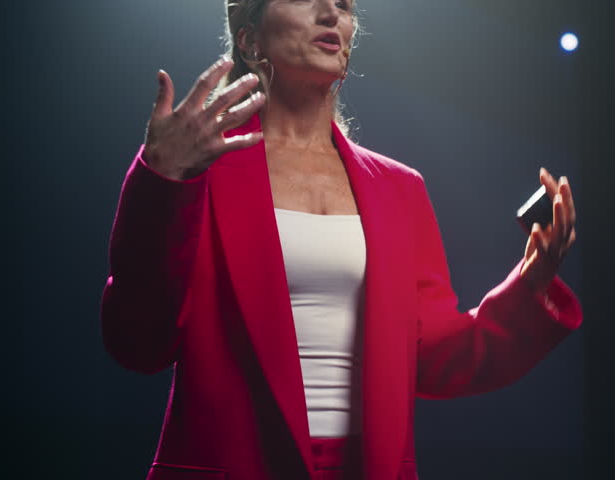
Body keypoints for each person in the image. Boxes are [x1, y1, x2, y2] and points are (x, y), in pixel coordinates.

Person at [100, 1, 582, 479]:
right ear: (249, 38)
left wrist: (530, 284)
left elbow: (434, 357)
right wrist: (160, 179)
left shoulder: (399, 187)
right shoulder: (198, 172)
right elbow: (138, 343)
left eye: (345, 4)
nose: (332, 12)